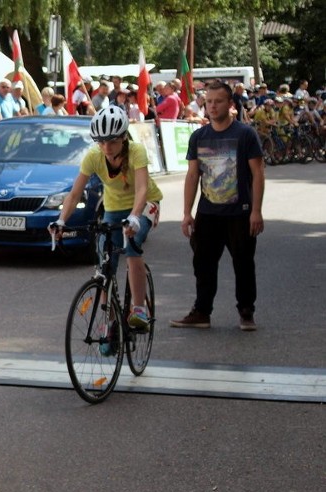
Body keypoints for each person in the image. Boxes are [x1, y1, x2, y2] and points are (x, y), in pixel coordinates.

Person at [50, 106, 163, 341]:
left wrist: (134, 216)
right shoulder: (93, 156)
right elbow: (74, 194)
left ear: (123, 137)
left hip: (145, 202)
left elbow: (142, 188)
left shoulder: (136, 152)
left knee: (132, 245)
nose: (106, 148)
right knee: (104, 263)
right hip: (113, 208)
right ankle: (109, 323)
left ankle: (139, 309)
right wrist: (61, 221)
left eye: (111, 141)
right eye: (100, 142)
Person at [170, 80, 265, 331]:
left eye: (218, 101)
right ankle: (202, 312)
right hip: (208, 213)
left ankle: (246, 312)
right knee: (203, 265)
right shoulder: (199, 136)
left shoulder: (245, 134)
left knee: (243, 264)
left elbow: (258, 173)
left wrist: (256, 210)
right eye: (208, 101)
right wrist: (186, 213)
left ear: (230, 105)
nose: (212, 106)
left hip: (240, 213)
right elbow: (193, 176)